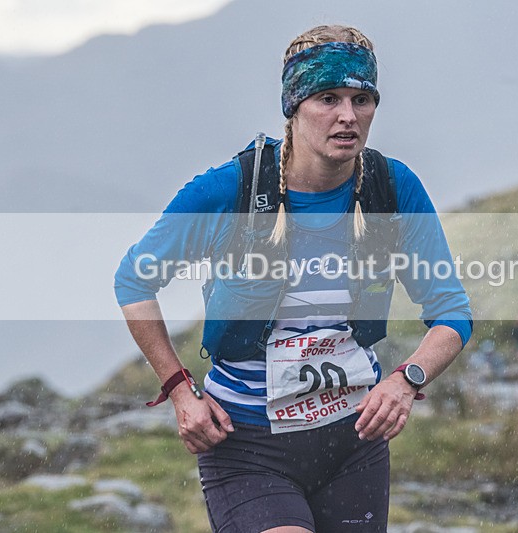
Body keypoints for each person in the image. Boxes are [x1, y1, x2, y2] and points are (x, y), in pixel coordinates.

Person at [114, 25, 472, 532]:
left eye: (362, 99)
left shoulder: (392, 188)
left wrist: (404, 380)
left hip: (354, 444)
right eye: (328, 98)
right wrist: (178, 388)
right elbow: (134, 281)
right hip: (247, 446)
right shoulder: (228, 190)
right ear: (295, 107)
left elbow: (452, 311)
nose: (348, 116)